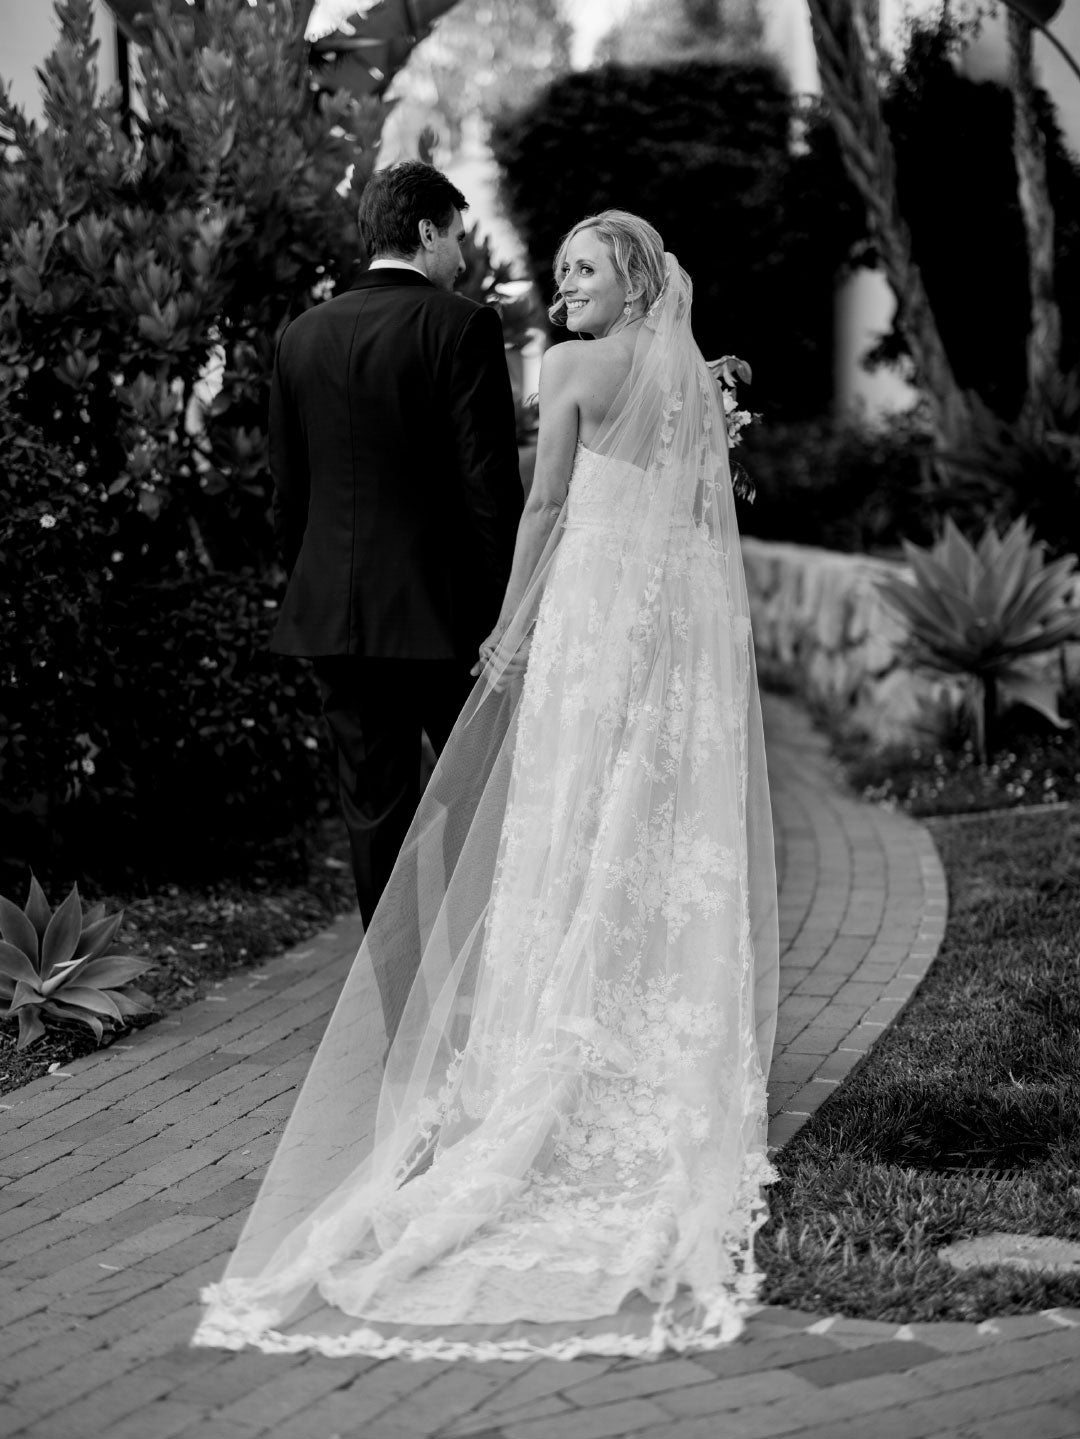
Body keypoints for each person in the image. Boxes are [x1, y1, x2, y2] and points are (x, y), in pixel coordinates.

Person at [197, 211, 779, 1361]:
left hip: (587, 616)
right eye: (561, 266)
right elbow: (706, 505)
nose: (562, 283)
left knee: (565, 822)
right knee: (642, 828)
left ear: (634, 283)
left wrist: (512, 627)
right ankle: (625, 1027)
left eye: (584, 268)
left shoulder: (563, 367)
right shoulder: (690, 383)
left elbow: (548, 507)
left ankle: (512, 1029)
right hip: (665, 627)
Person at [268, 161, 522, 1035]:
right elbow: (490, 492)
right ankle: (475, 996)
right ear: (425, 231)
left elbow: (287, 497)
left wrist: (317, 591)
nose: (461, 250)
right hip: (447, 621)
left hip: (337, 622)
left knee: (374, 817)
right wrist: (506, 617)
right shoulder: (462, 327)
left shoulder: (300, 335)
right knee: (481, 802)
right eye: (455, 232)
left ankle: (400, 1014)